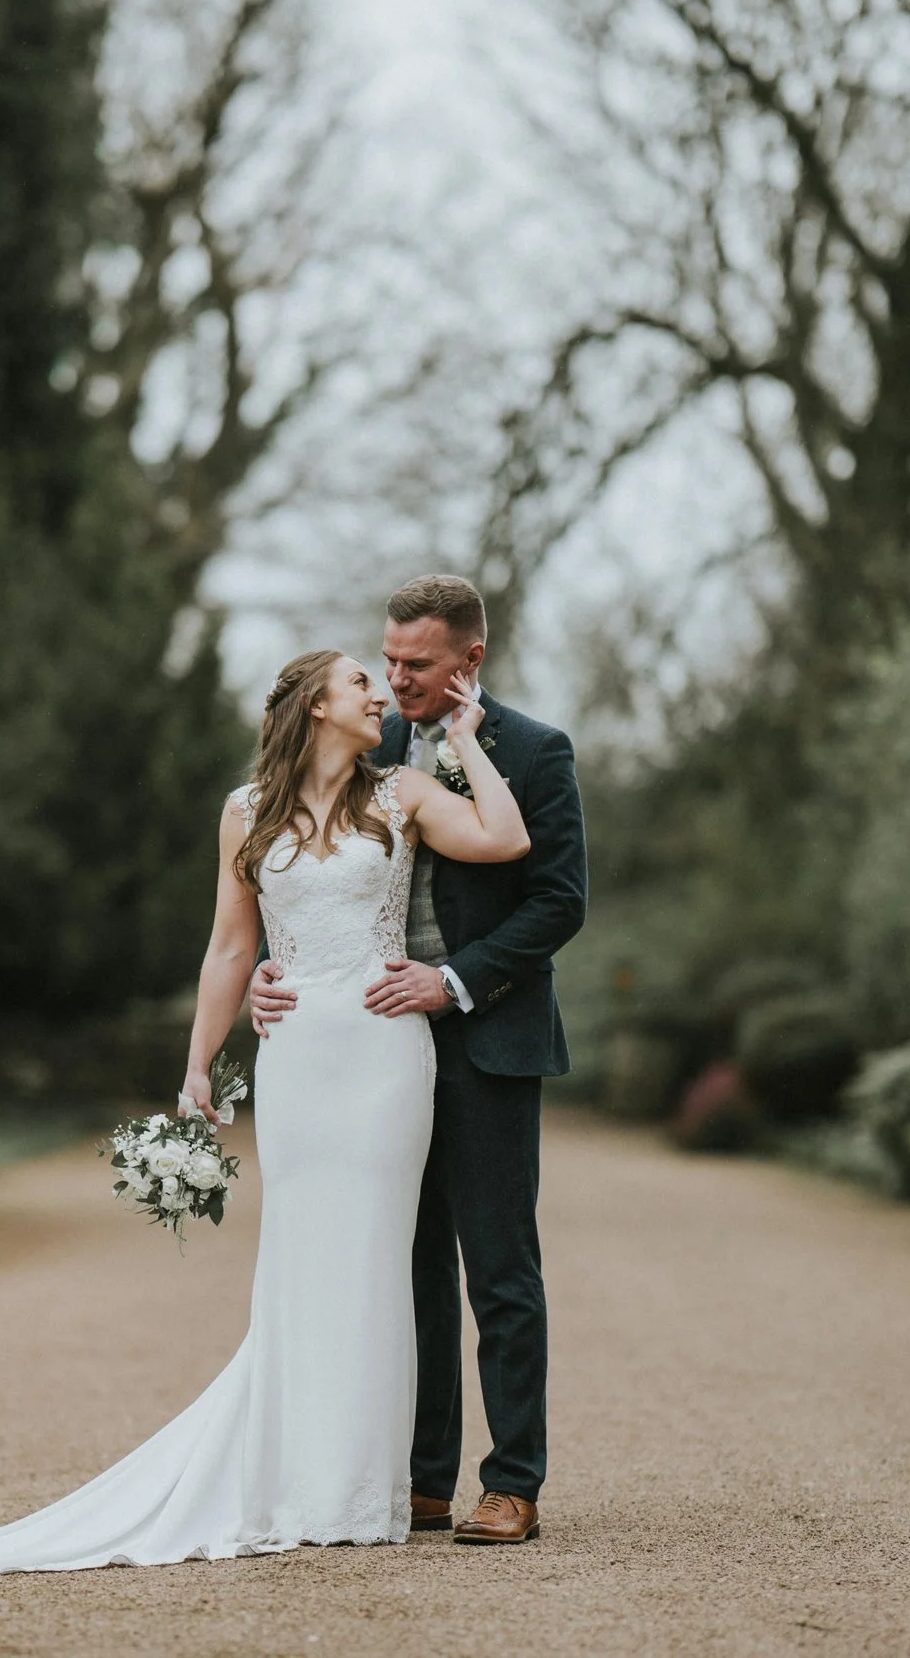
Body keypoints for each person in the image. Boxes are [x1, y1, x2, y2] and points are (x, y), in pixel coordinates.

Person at [0, 643, 530, 1583]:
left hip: (381, 1055)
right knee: (299, 1255)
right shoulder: (244, 812)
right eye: (362, 682)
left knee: (373, 1255)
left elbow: (505, 837)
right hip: (299, 1060)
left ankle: (363, 1491)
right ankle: (301, 1480)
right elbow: (226, 949)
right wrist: (197, 1066)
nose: (381, 695)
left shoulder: (401, 793)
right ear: (316, 707)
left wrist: (465, 739)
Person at [250, 574, 587, 1546]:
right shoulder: (371, 745)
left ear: (469, 659)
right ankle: (423, 1475)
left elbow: (557, 900)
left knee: (497, 1264)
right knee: (405, 1259)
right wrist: (283, 970)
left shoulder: (533, 750)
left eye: (419, 664)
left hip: (485, 1037)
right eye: (387, 660)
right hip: (371, 1047)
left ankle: (512, 1479)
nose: (396, 678)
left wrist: (454, 982)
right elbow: (303, 874)